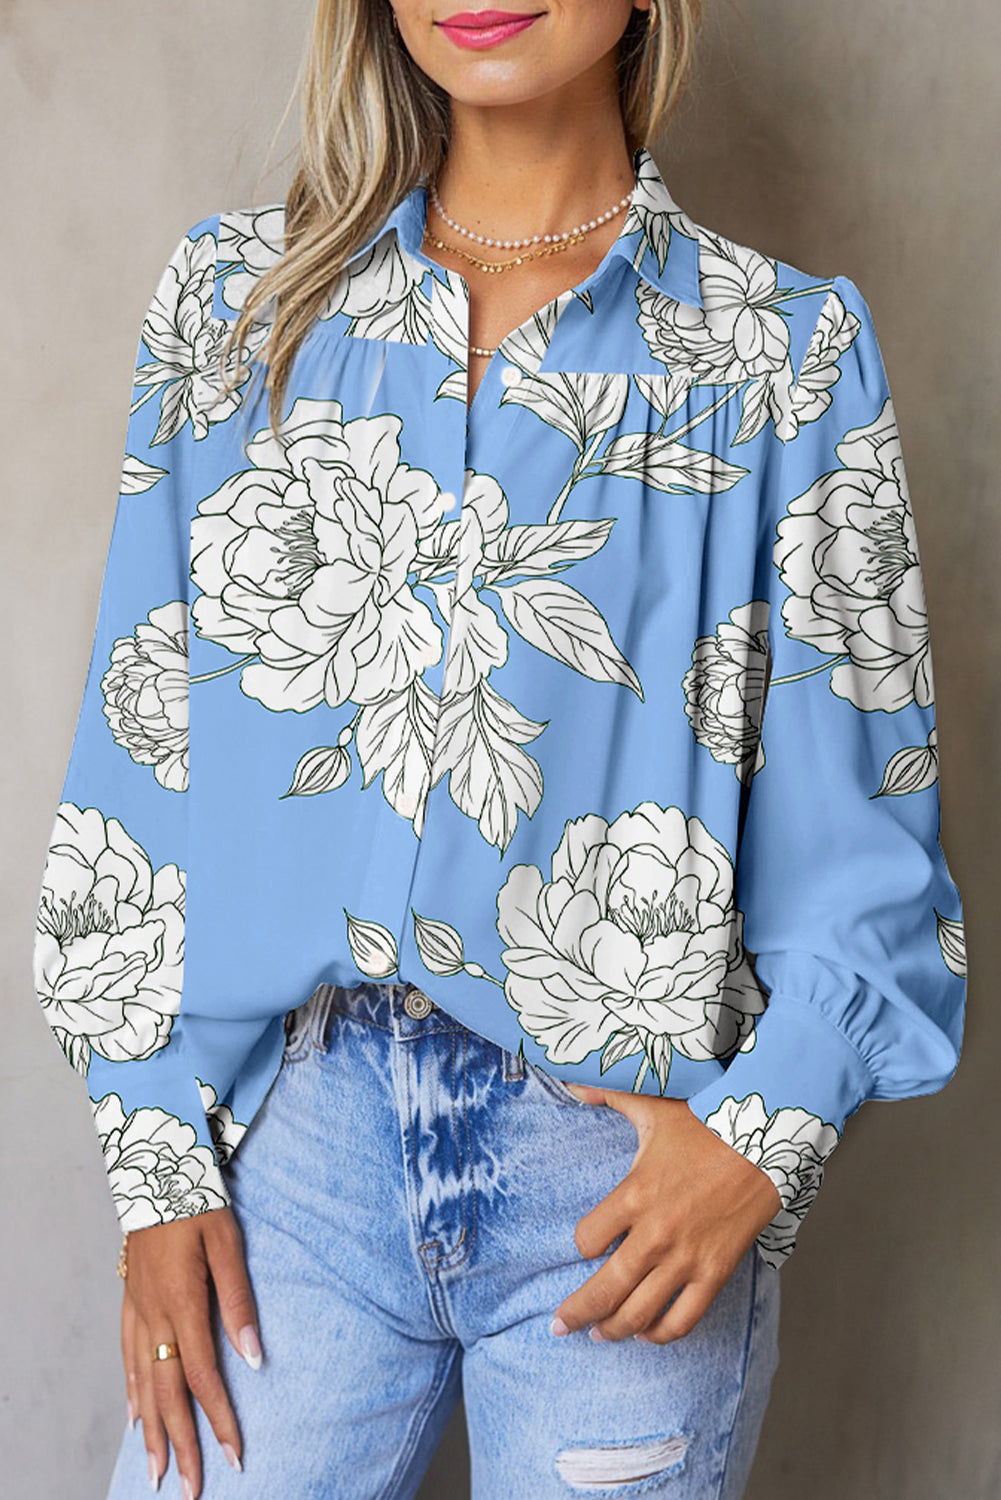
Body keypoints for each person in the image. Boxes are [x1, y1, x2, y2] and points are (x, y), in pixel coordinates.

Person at [31, 2, 968, 1497]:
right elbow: (143, 749)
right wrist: (154, 1163)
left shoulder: (780, 357)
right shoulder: (236, 307)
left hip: (613, 1189)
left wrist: (760, 1136)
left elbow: (866, 833)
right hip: (293, 1159)